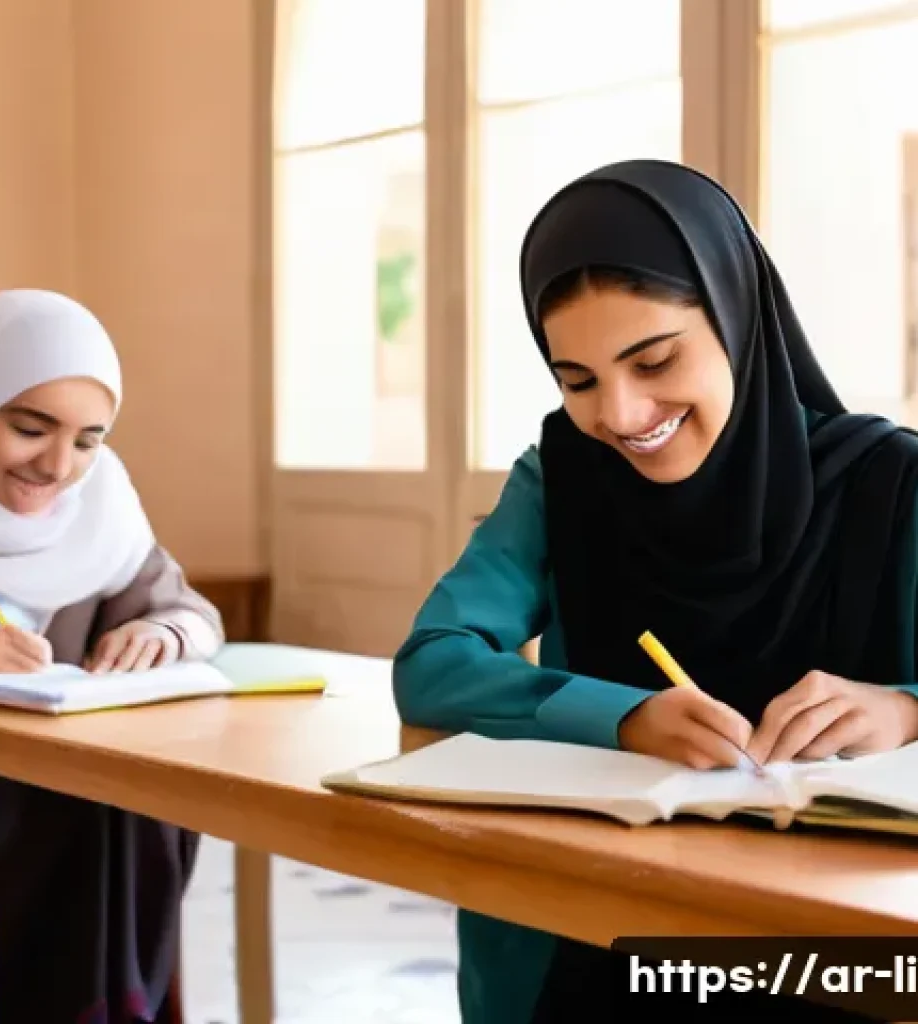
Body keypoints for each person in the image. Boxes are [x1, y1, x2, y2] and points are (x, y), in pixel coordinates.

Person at [392, 160, 918, 1022]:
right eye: (578, 380)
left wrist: (901, 710)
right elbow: (433, 662)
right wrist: (621, 716)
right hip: (597, 931)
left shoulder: (891, 483)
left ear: (738, 319)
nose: (622, 415)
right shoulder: (562, 478)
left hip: (841, 948)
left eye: (655, 360)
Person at [0, 289, 224, 1023]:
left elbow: (189, 610)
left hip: (66, 808)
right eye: (29, 428)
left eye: (87, 440)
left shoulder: (96, 509)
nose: (56, 466)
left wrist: (164, 633)